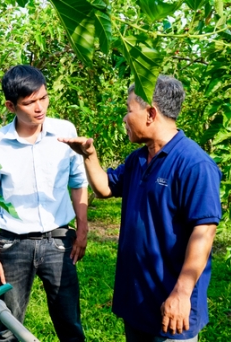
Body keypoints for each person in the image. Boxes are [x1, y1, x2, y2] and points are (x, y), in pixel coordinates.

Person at [59, 75, 221, 342]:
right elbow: (104, 188)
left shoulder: (194, 164)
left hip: (171, 306)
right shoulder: (138, 159)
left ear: (150, 114)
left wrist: (181, 292)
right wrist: (89, 155)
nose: (124, 118)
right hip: (138, 302)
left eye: (128, 110)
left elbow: (204, 231)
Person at [0, 65, 89, 342]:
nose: (40, 108)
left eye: (43, 97)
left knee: (70, 323)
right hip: (13, 245)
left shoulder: (65, 132)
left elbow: (78, 182)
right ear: (10, 106)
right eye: (29, 103)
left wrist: (83, 230)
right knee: (8, 326)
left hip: (59, 241)